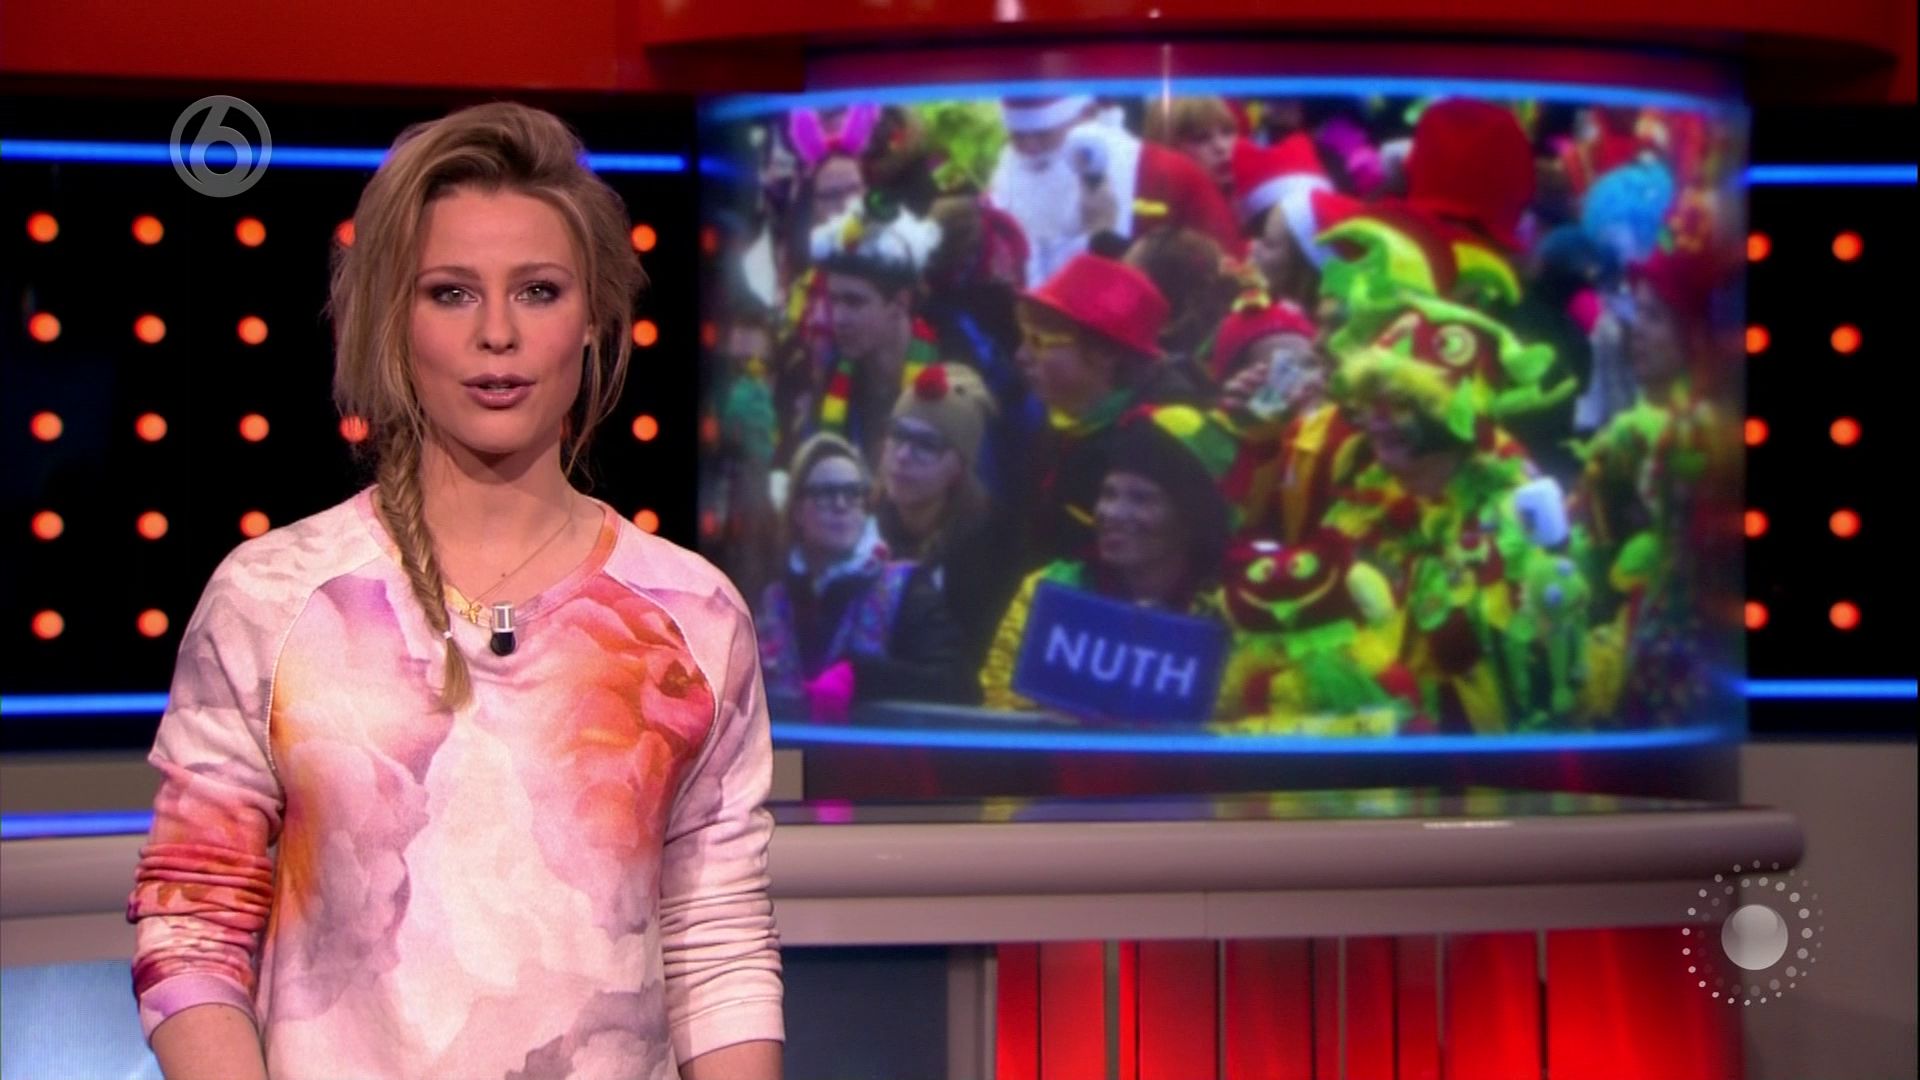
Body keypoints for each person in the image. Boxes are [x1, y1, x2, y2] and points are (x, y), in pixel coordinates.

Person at [124, 103, 782, 1080]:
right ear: (394, 318)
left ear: (595, 320)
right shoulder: (275, 598)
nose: (498, 335)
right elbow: (193, 923)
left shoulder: (694, 615)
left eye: (539, 291)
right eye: (451, 293)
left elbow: (717, 942)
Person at [981, 405, 1236, 710]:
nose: (1111, 513)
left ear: (1192, 517)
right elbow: (1003, 707)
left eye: (1142, 498)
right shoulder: (1053, 588)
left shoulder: (1232, 610)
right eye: (1108, 494)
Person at [757, 433, 972, 717]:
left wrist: (861, 677)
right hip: (784, 745)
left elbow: (958, 685)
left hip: (873, 746)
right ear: (797, 510)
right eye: (825, 493)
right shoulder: (772, 600)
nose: (841, 505)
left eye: (853, 493)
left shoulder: (905, 587)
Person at [1014, 251, 1200, 566]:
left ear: (1105, 353)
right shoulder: (1067, 420)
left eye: (1040, 341)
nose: (1021, 356)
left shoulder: (1157, 443)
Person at [988, 94, 1241, 285]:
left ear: (1086, 115)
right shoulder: (1002, 184)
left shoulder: (1166, 174)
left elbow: (1227, 270)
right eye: (1018, 136)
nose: (1030, 148)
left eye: (1042, 134)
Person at [873, 364, 1021, 679]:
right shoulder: (861, 524)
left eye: (926, 445)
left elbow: (966, 667)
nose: (903, 456)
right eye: (898, 435)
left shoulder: (990, 549)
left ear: (958, 468)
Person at [801, 193, 944, 464]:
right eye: (834, 300)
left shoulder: (951, 370)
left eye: (854, 302)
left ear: (900, 303)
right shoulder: (833, 373)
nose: (839, 318)